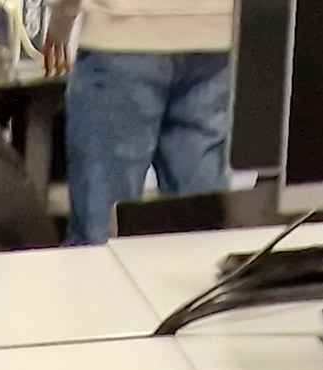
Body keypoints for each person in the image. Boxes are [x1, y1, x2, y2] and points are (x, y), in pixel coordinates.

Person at [54, 0, 233, 244]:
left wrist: (60, 19)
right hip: (216, 35)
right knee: (201, 228)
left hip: (121, 31)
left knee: (102, 231)